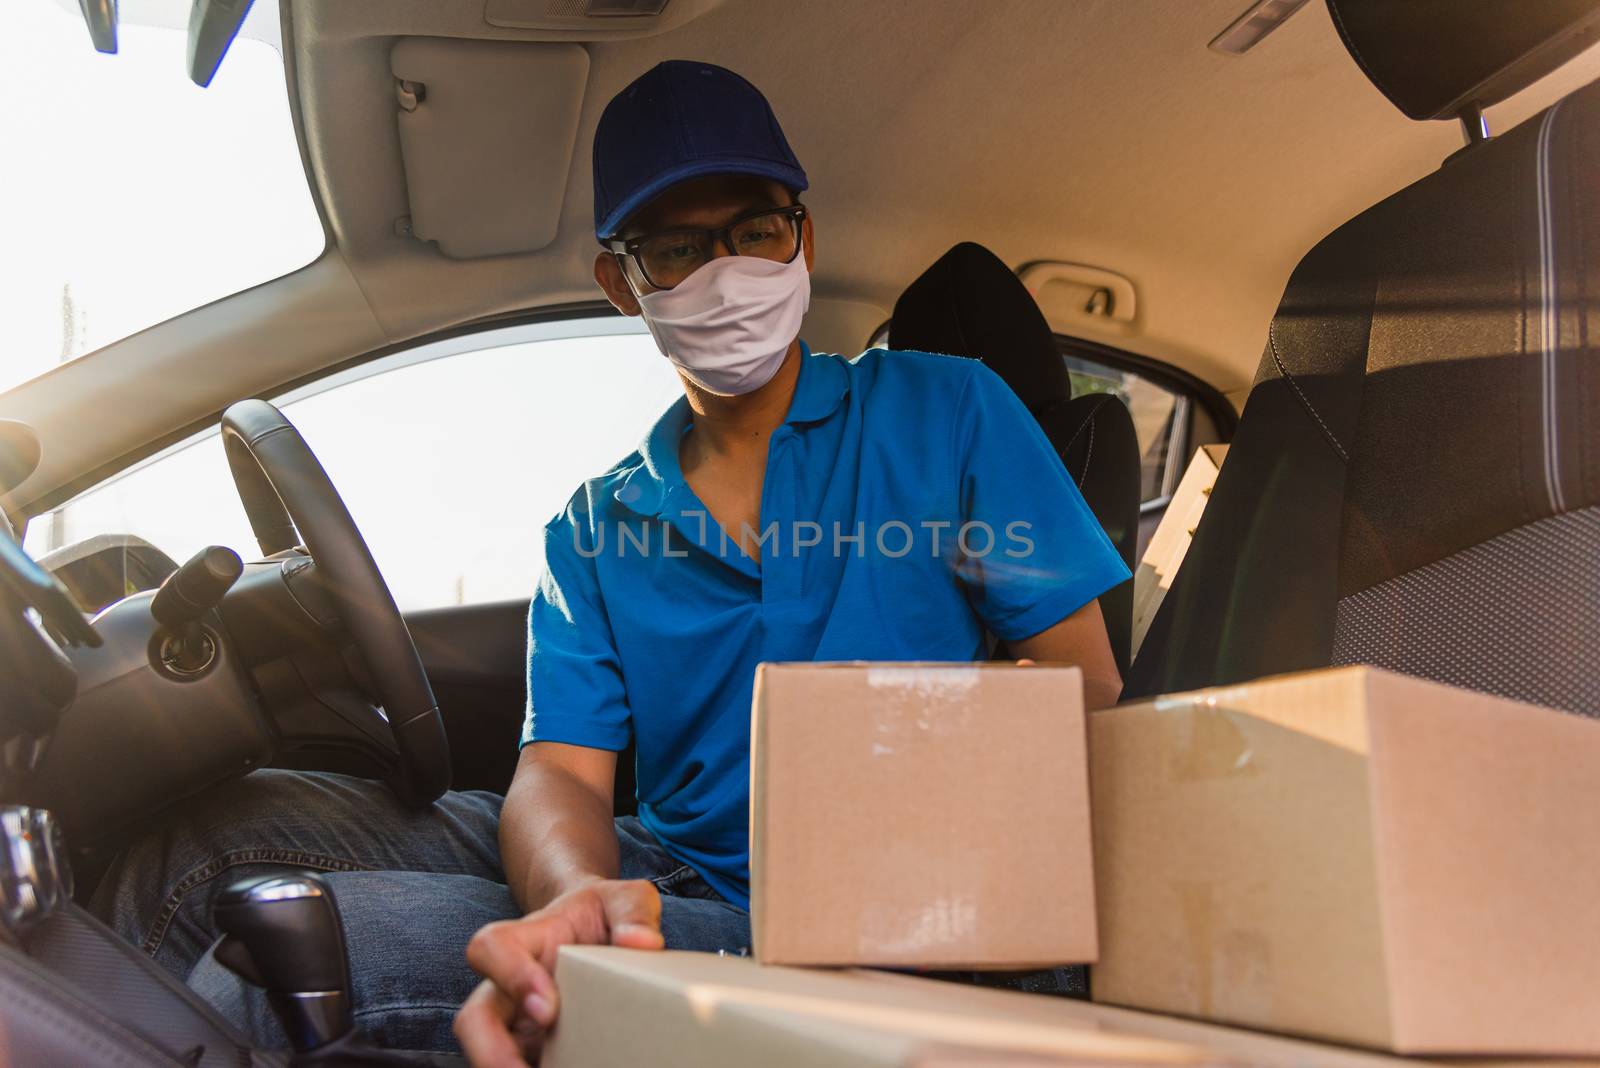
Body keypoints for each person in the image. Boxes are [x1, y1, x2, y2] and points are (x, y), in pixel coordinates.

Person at [95, 60, 1128, 1066]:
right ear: (620, 283)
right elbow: (561, 768)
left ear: (802, 237)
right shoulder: (592, 526)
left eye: (755, 232)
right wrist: (573, 896)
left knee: (284, 960)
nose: (727, 273)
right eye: (675, 249)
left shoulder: (947, 412)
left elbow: (1080, 689)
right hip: (667, 859)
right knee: (193, 855)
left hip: (874, 911)